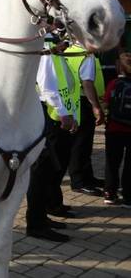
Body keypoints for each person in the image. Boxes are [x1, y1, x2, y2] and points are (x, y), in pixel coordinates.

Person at [25, 38, 80, 242]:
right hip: (46, 115)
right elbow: (47, 86)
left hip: (48, 115)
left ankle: (41, 217)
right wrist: (64, 113)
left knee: (44, 170)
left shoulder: (52, 51)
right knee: (39, 171)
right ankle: (36, 224)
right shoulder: (46, 50)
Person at [65, 44, 106, 195]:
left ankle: (87, 177)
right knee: (81, 144)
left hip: (73, 100)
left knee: (82, 143)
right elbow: (87, 83)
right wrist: (96, 106)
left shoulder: (69, 51)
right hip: (83, 101)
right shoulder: (85, 55)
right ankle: (79, 181)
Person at [102, 52, 131, 206]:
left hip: (114, 129)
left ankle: (109, 193)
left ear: (119, 68)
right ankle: (128, 196)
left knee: (112, 162)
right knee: (129, 165)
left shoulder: (113, 84)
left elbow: (106, 104)